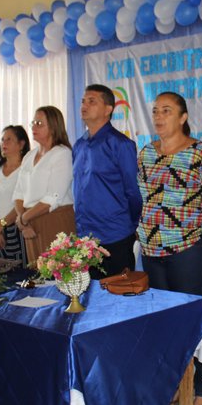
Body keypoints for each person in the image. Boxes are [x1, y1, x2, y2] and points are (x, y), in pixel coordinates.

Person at [137, 91, 202, 405]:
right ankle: (174, 383)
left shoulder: (200, 153)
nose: (159, 116)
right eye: (155, 111)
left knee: (191, 319)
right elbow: (145, 197)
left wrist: (196, 221)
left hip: (189, 250)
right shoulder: (145, 153)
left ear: (183, 117)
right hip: (151, 250)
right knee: (165, 323)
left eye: (167, 111)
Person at [72, 84, 142, 277]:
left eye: (92, 101)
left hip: (115, 235)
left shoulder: (120, 144)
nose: (84, 105)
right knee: (90, 296)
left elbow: (133, 191)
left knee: (119, 297)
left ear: (108, 109)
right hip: (85, 236)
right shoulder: (79, 145)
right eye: (83, 101)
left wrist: (132, 224)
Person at [14, 106, 76, 264]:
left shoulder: (62, 154)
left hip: (53, 219)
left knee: (59, 272)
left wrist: (23, 219)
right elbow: (19, 193)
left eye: (39, 123)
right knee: (38, 274)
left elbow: (53, 197)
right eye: (33, 122)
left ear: (54, 127)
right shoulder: (29, 155)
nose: (34, 127)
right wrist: (24, 221)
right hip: (30, 222)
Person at [0, 125, 30, 264]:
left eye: (9, 139)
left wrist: (1, 225)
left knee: (22, 271)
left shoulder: (26, 169)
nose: (4, 143)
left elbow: (24, 203)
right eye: (3, 140)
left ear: (21, 144)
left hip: (17, 228)